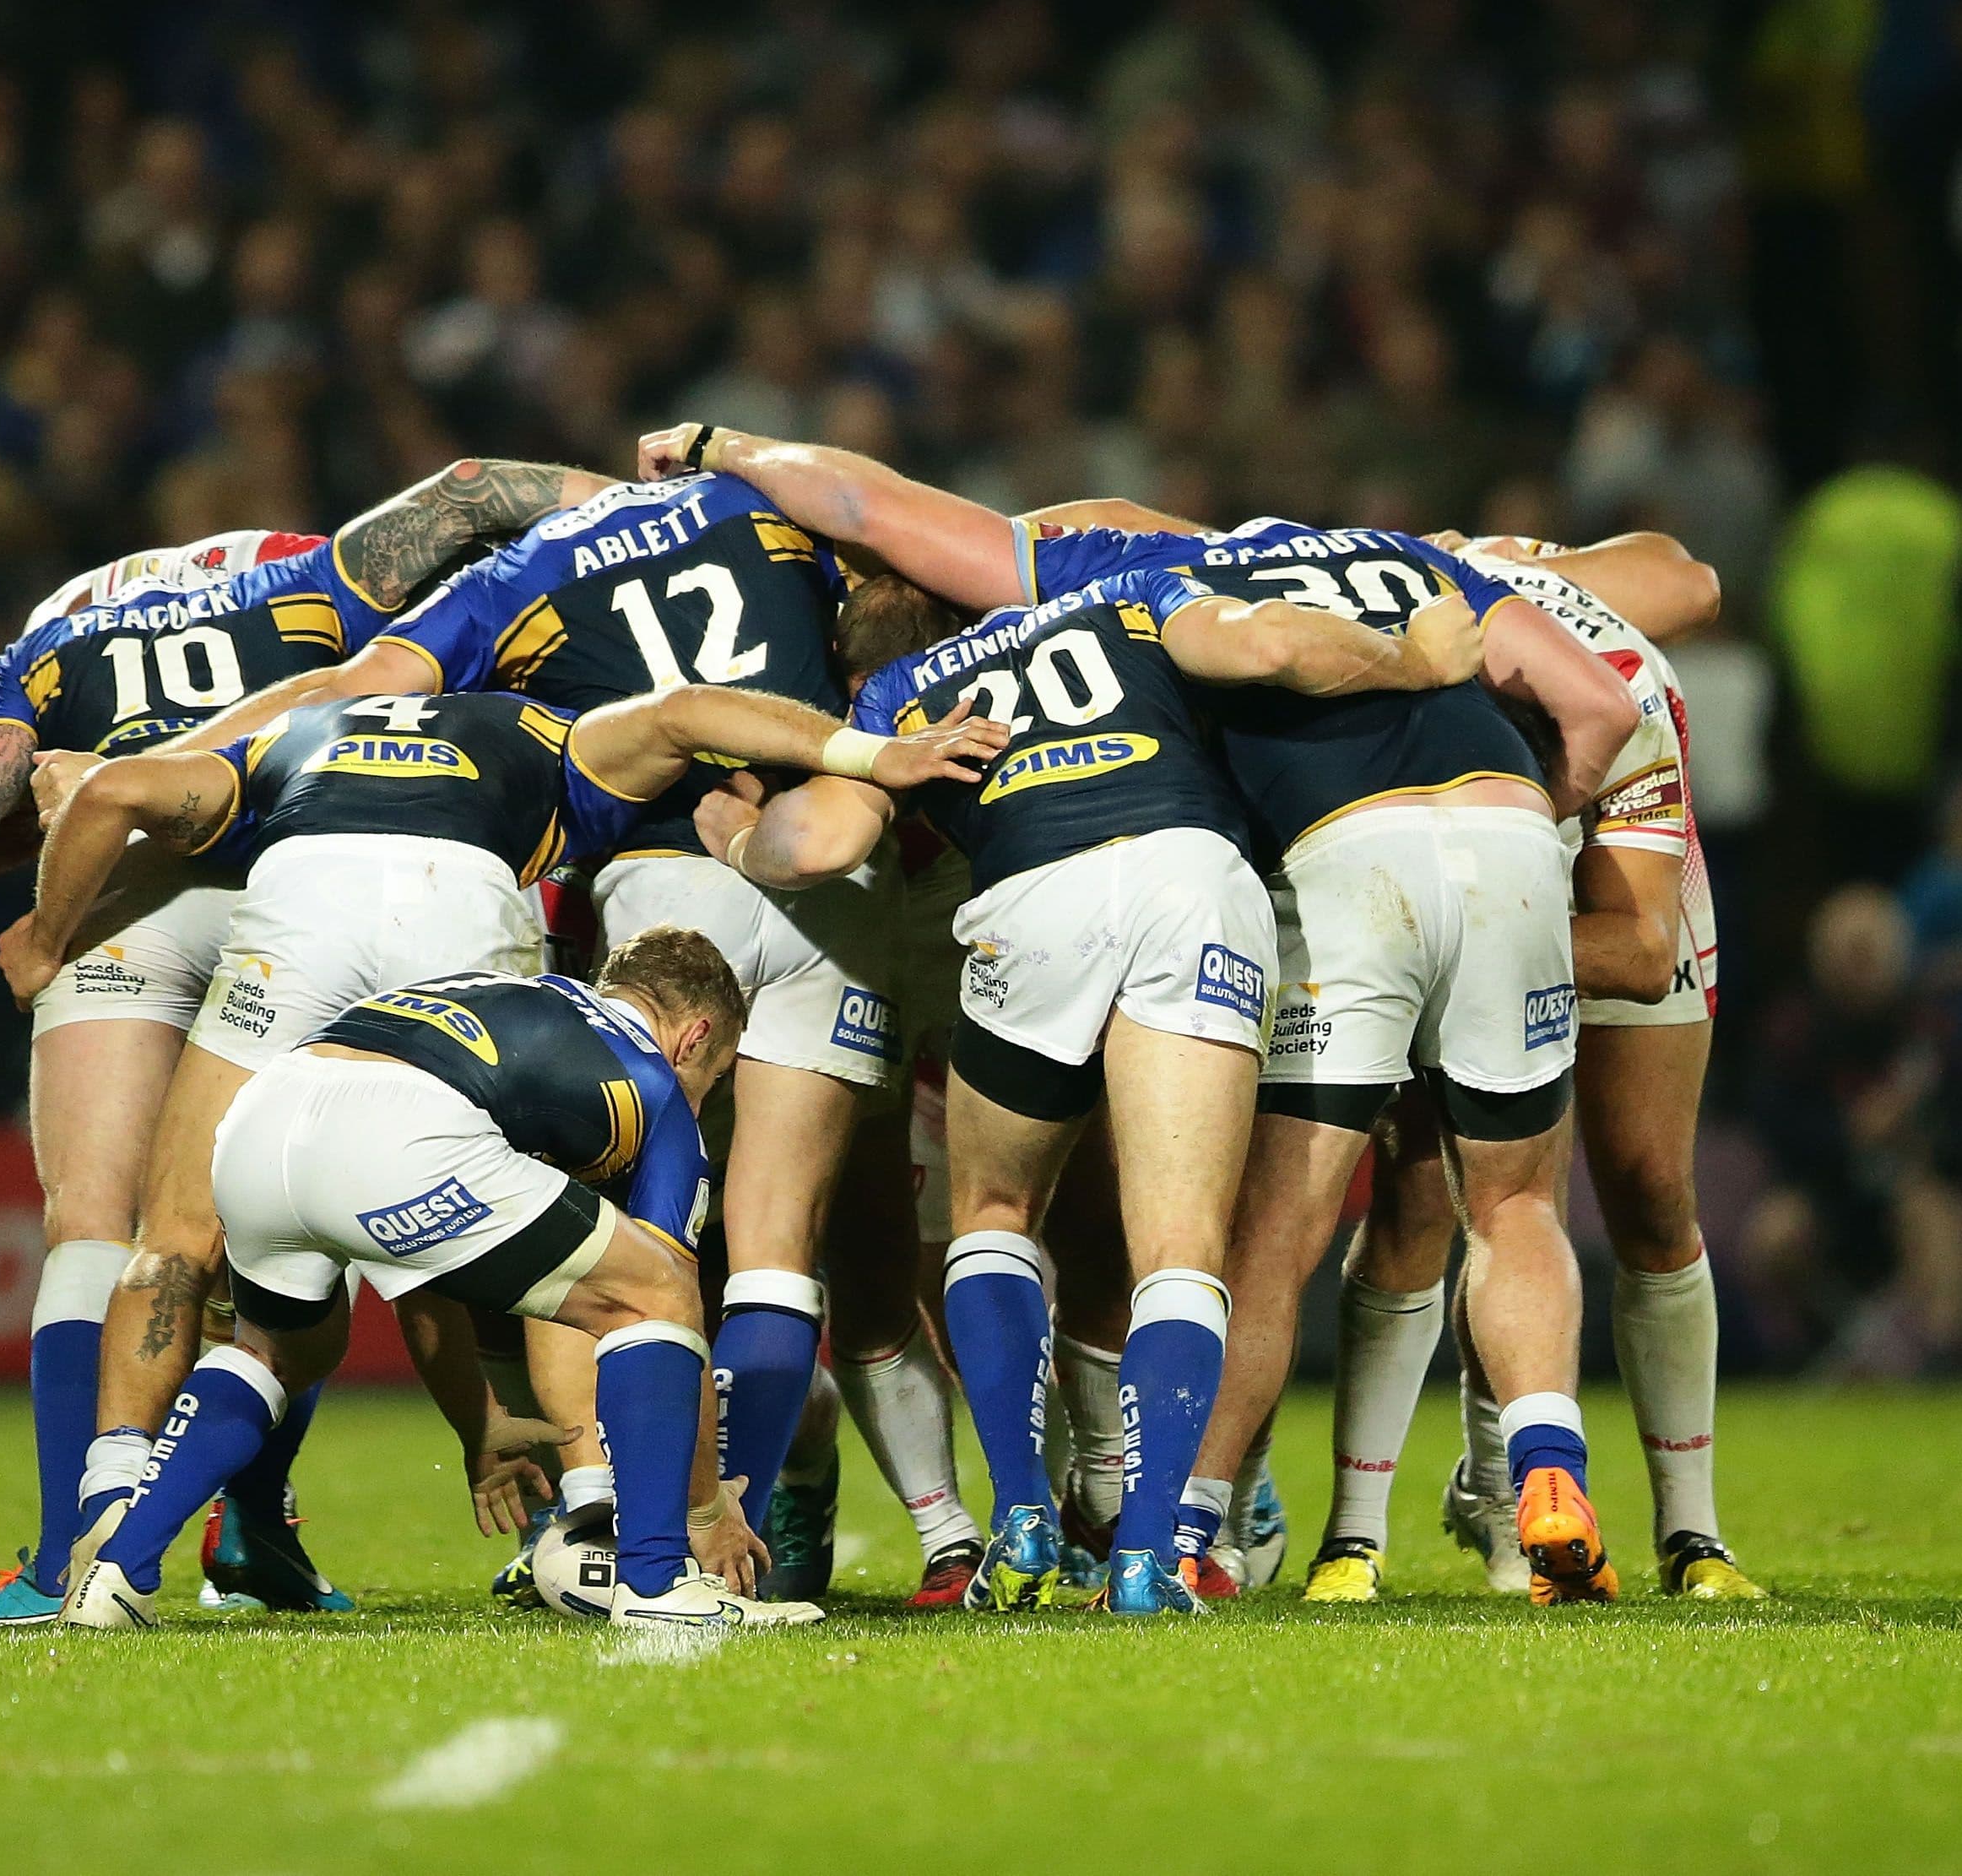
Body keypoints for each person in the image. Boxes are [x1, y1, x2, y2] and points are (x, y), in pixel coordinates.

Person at [637, 423, 1641, 1605]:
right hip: (1280, 863)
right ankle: (1211, 1532)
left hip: (1097, 886)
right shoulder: (1213, 591)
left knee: (1038, 1211)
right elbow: (1544, 690)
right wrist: (1435, 690)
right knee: (1353, 1221)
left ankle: (1044, 1515)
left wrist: (743, 829)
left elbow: (829, 823)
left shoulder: (960, 663)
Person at [0, 677, 1002, 1591]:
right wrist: (871, 756)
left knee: (176, 1242)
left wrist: (44, 942)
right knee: (576, 1251)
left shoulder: (291, 731)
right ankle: (593, 1515)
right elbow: (689, 711)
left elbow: (114, 793)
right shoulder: (539, 729)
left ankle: (110, 1505)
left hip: (297, 912)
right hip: (454, 907)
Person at [703, 564, 1483, 1613]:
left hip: (1035, 894)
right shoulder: (1133, 598)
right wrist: (1414, 658)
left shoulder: (898, 698)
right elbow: (1269, 646)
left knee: (992, 1213)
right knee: (1181, 1248)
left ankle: (1021, 1518)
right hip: (1191, 876)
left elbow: (827, 841)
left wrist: (741, 836)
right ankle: (1151, 1552)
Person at [159, 467, 908, 1557]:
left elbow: (360, 672)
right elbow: (883, 584)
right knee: (768, 1252)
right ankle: (818, 1505)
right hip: (832, 856)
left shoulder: (514, 592)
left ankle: (619, 1508)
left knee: (587, 1233)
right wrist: (877, 752)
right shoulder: (761, 495)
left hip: (647, 892)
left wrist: (141, 764)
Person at [0, 460, 604, 1623]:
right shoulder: (316, 579)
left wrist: (45, 862)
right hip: (281, 873)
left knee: (101, 1226)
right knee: (309, 1209)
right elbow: (479, 491)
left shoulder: (54, 630)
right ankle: (300, 1519)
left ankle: (60, 1556)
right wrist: (641, 511)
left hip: (118, 890)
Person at [61, 935, 826, 1631]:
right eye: (714, 1075)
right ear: (695, 1036)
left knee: (274, 1352)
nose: (703, 1095)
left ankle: (114, 1575)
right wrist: (705, 1506)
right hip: (396, 1131)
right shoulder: (653, 1085)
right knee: (653, 1297)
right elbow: (668, 1297)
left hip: (266, 1115)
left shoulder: (504, 991)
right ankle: (660, 1585)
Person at [1315, 538, 1764, 1602]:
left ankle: (1693, 1537)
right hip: (1438, 855)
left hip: (1618, 890)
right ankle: (1357, 1536)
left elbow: (1644, 949)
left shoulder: (1623, 700)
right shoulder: (1389, 690)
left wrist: (1469, 944)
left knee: (1648, 1185)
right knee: (1424, 1186)